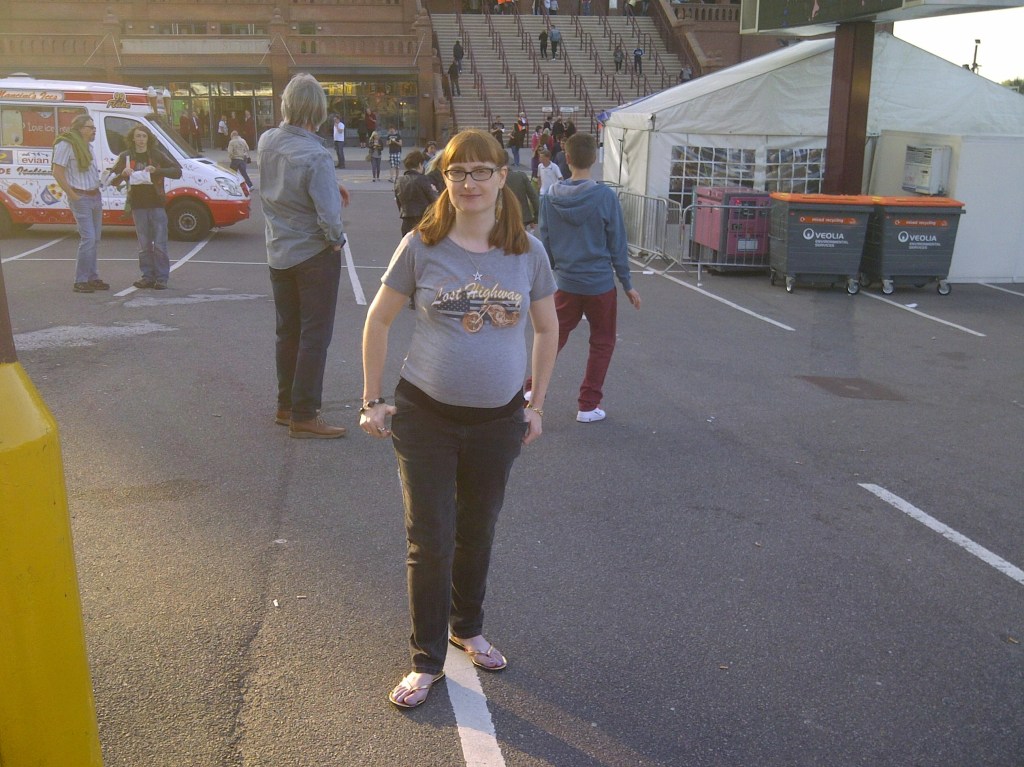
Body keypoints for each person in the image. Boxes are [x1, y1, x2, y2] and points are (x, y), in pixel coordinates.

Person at [359, 128, 558, 710]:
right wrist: (372, 399)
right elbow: (378, 319)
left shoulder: (529, 252)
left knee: (478, 529)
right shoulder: (423, 243)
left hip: (499, 420)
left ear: (503, 177)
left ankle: (465, 627)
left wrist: (537, 403)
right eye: (457, 172)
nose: (468, 182)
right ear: (444, 180)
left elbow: (547, 329)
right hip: (426, 415)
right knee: (431, 537)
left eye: (480, 171)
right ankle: (425, 659)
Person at [258, 73, 351, 439]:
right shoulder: (316, 154)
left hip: (278, 248)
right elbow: (329, 216)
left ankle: (286, 405)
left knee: (288, 332)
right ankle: (305, 413)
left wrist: (330, 183)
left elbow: (283, 184)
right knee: (316, 334)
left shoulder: (267, 141)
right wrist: (337, 240)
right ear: (318, 109)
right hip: (313, 253)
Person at [534, 132, 640, 422]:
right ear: (595, 159)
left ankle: (531, 389)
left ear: (565, 159)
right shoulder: (605, 196)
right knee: (602, 341)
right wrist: (627, 283)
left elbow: (546, 239)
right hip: (599, 283)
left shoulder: (550, 196)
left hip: (566, 282)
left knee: (553, 335)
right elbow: (617, 242)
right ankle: (588, 404)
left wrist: (554, 270)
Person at [111, 124, 182, 290]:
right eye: (138, 136)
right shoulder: (126, 156)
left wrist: (157, 170)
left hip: (156, 204)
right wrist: (122, 174)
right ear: (132, 138)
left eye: (144, 136)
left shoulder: (156, 155)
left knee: (160, 244)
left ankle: (162, 278)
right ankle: (147, 276)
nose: (141, 139)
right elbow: (112, 180)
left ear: (148, 138)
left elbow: (177, 171)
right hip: (137, 205)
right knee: (144, 245)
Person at [52, 114, 108, 294]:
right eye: (90, 127)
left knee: (95, 239)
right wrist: (72, 194)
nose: (94, 130)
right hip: (81, 197)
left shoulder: (88, 147)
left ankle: (92, 277)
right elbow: (57, 171)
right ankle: (81, 280)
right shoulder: (66, 144)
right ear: (80, 128)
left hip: (94, 195)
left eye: (94, 127)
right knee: (88, 238)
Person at [394, 150, 439, 236]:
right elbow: (435, 200)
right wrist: (435, 191)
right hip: (423, 220)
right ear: (419, 164)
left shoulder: (399, 181)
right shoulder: (423, 179)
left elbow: (399, 204)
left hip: (406, 220)